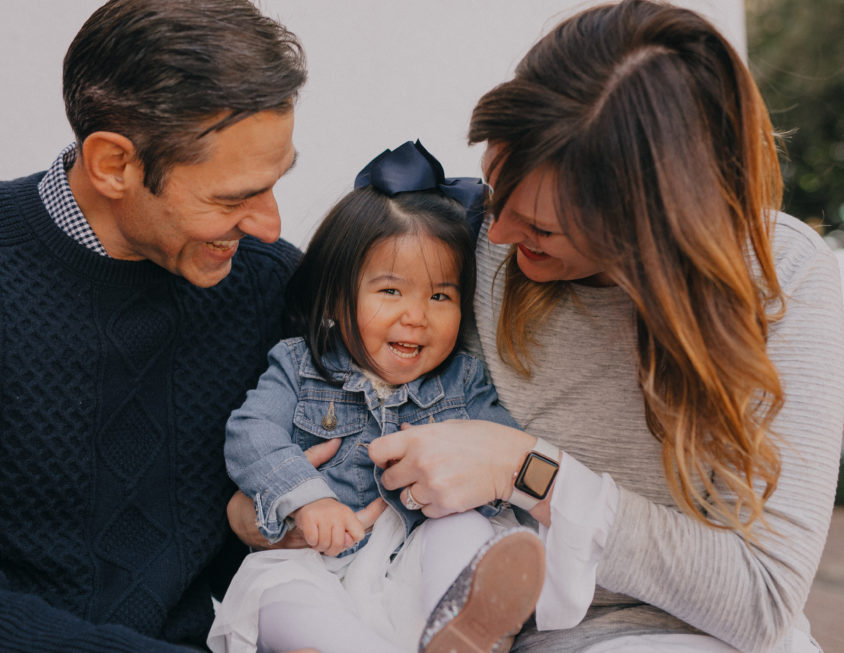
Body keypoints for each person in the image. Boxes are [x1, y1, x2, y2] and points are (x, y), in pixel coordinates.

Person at [229, 1, 844, 651]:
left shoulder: (785, 280)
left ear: (651, 230)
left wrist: (529, 469)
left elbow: (763, 599)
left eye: (543, 229)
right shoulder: (478, 241)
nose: (497, 234)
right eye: (497, 189)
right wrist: (267, 511)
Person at [0, 0, 306, 651]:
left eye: (274, 183)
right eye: (233, 196)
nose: (268, 224)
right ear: (113, 165)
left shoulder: (272, 281)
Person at [209, 142, 545, 653]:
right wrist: (306, 496)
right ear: (338, 297)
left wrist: (483, 478)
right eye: (391, 291)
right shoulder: (301, 365)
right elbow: (251, 434)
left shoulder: (463, 381)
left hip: (413, 561)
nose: (417, 315)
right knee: (278, 596)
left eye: (440, 296)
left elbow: (509, 454)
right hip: (314, 560)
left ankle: (469, 627)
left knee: (460, 533)